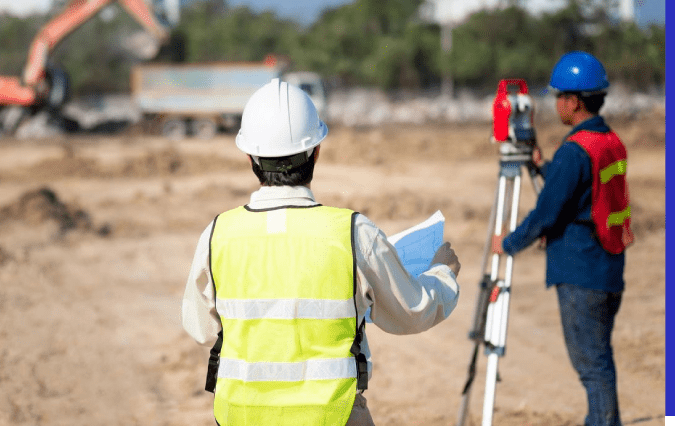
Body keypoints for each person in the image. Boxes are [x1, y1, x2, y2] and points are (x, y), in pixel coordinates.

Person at [182, 78, 461, 426]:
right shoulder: (353, 233)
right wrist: (442, 273)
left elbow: (201, 329)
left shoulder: (217, 234)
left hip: (241, 417)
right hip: (333, 416)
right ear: (316, 151)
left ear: (251, 157)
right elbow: (412, 311)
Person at [502, 51, 632, 426]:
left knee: (591, 366)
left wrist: (507, 244)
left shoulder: (575, 151)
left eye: (559, 96)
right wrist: (547, 167)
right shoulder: (609, 141)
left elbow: (545, 214)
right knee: (600, 360)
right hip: (608, 264)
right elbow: (583, 195)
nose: (555, 103)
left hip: (580, 271)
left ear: (573, 101)